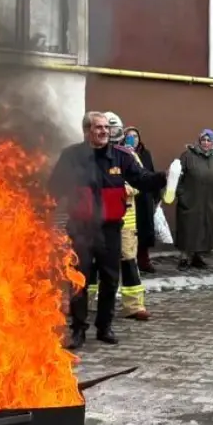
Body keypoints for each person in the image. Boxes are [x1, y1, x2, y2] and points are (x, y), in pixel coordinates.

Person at [48, 112, 166, 350]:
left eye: (106, 128)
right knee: (79, 279)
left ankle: (104, 327)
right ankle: (79, 329)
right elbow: (54, 187)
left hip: (110, 229)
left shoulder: (121, 156)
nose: (104, 131)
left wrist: (163, 178)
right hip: (80, 228)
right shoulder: (71, 156)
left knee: (110, 279)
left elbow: (140, 179)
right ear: (86, 131)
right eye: (98, 127)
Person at [102, 113, 153, 322]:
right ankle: (87, 301)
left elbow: (141, 181)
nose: (110, 134)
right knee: (95, 261)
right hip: (98, 217)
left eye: (114, 130)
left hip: (126, 218)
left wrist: (123, 188)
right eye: (107, 129)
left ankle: (133, 306)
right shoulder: (91, 155)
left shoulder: (129, 155)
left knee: (129, 261)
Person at [175, 129, 213, 271]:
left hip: (210, 201)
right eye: (203, 140)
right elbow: (177, 177)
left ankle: (198, 257)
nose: (205, 143)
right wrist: (181, 195)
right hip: (190, 200)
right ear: (199, 141)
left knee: (205, 228)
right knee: (188, 228)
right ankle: (184, 258)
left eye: (208, 140)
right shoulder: (187, 156)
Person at [123, 126, 159, 274]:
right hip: (130, 198)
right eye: (129, 136)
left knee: (144, 231)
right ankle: (128, 262)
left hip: (144, 197)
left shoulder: (146, 154)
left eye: (135, 136)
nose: (133, 139)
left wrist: (156, 195)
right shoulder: (121, 154)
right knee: (129, 233)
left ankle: (144, 261)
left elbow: (151, 173)